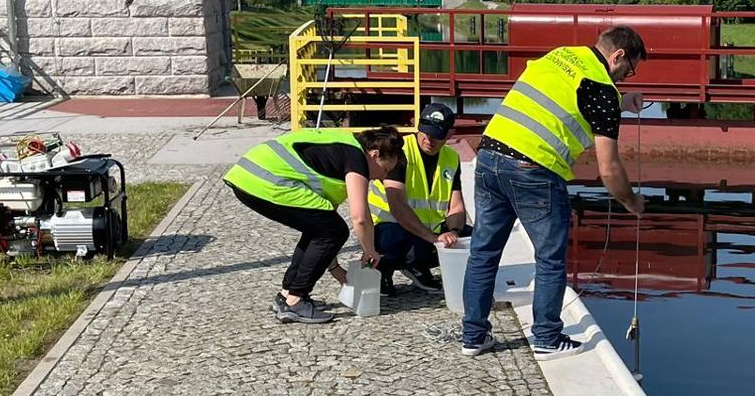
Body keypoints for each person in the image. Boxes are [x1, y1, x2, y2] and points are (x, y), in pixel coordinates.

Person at [461, 26, 648, 360]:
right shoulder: (602, 89)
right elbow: (608, 169)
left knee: (484, 253)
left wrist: (623, 100)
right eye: (629, 70)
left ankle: (473, 336)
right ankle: (547, 337)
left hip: (489, 157)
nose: (625, 77)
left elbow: (569, 94)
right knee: (549, 259)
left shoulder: (562, 55)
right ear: (618, 55)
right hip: (534, 171)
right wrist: (631, 201)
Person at [223, 124, 405, 324]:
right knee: (333, 231)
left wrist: (337, 270)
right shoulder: (356, 158)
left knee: (321, 228)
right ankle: (295, 301)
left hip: (249, 176)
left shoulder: (343, 149)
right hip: (263, 180)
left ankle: (286, 295)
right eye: (385, 169)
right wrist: (370, 251)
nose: (382, 178)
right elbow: (360, 218)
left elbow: (334, 223)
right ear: (374, 154)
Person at [366, 102, 467, 293]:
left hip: (425, 230)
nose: (429, 140)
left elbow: (457, 207)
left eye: (436, 136)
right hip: (389, 226)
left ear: (449, 135)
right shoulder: (400, 152)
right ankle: (382, 270)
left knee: (473, 237)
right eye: (425, 133)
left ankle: (419, 267)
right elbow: (397, 205)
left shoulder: (451, 158)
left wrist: (453, 231)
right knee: (397, 240)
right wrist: (434, 238)